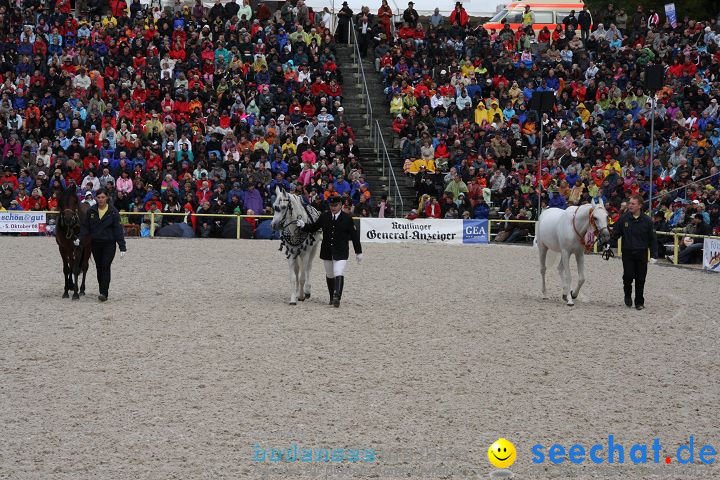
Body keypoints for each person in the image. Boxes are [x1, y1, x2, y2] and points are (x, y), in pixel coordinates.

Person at [296, 196, 362, 307]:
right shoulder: (324, 216)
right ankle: (332, 297)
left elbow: (354, 236)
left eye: (335, 205)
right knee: (330, 275)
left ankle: (337, 297)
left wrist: (358, 252)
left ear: (340, 205)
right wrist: (303, 226)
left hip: (341, 251)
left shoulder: (347, 218)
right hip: (327, 251)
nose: (333, 208)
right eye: (331, 205)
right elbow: (314, 227)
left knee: (338, 272)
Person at [605, 195, 657, 310]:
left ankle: (639, 302)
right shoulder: (624, 218)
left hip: (642, 253)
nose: (630, 205)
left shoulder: (647, 221)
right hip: (627, 252)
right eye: (629, 203)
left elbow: (652, 239)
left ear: (640, 205)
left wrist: (654, 255)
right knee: (628, 276)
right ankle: (627, 295)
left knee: (641, 279)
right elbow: (616, 234)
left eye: (633, 204)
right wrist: (609, 245)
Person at [77, 188, 127, 302]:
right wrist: (80, 239)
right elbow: (85, 228)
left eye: (103, 197)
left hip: (109, 243)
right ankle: (101, 290)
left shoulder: (113, 211)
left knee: (105, 266)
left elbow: (118, 229)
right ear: (95, 198)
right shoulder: (91, 211)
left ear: (107, 198)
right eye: (98, 197)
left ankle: (104, 292)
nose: (100, 199)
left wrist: (122, 246)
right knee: (99, 267)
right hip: (95, 243)